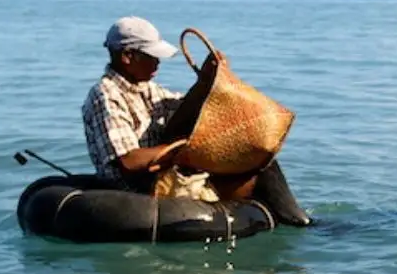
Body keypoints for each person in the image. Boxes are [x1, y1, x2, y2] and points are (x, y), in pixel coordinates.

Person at [82, 15, 313, 226]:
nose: (158, 63)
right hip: (137, 188)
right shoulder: (106, 95)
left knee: (256, 158)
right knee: (259, 174)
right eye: (151, 56)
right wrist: (180, 150)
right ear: (127, 56)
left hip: (164, 173)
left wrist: (206, 82)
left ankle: (294, 218)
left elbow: (185, 108)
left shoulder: (146, 90)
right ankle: (299, 222)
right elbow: (128, 161)